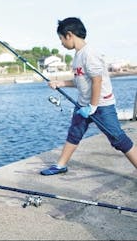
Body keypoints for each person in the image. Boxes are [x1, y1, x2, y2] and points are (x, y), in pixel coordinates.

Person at [40, 17, 137, 176]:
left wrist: (92, 107)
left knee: (118, 139)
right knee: (74, 133)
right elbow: (80, 81)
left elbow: (96, 81)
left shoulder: (89, 54)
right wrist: (60, 83)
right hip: (83, 105)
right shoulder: (77, 55)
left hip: (101, 106)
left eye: (61, 39)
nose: (61, 43)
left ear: (69, 35)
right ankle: (61, 165)